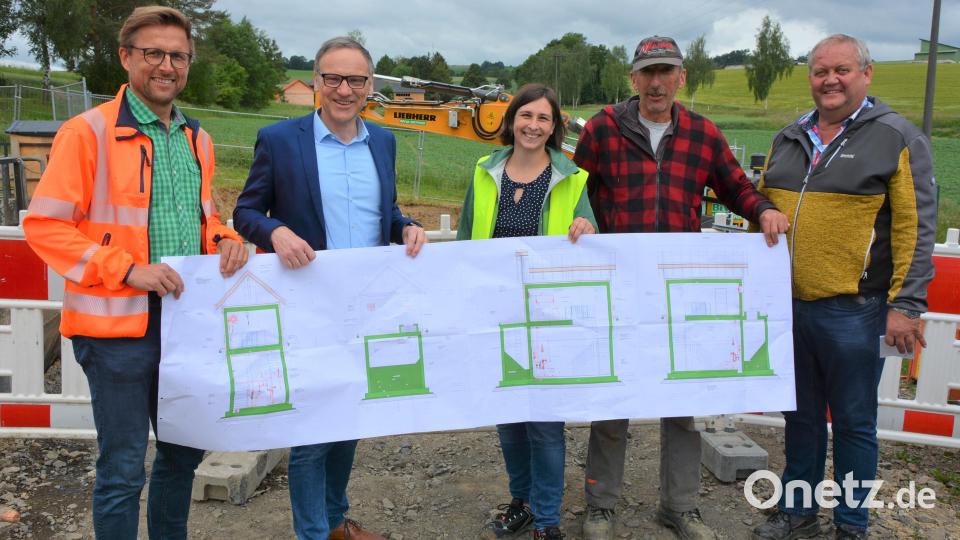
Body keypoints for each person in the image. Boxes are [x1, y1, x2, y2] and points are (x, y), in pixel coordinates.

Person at [22, 6, 248, 538]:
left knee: (182, 457)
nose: (166, 65)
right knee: (123, 470)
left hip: (185, 325)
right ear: (126, 58)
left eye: (178, 56)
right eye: (153, 53)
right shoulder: (88, 133)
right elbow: (45, 227)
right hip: (117, 332)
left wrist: (226, 239)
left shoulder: (197, 138)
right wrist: (126, 270)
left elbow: (202, 218)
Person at [572, 35, 789, 540]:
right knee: (614, 397)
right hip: (619, 286)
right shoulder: (603, 129)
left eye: (665, 71)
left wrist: (764, 210)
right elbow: (575, 193)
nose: (656, 81)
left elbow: (736, 185)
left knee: (682, 400)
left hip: (678, 288)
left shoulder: (702, 134)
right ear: (633, 78)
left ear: (681, 77)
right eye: (647, 72)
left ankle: (681, 506)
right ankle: (601, 505)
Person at [232, 36, 426, 540]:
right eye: (333, 78)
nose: (344, 89)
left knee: (349, 417)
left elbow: (383, 214)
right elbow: (246, 212)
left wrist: (403, 227)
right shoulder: (279, 140)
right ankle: (313, 533)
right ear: (316, 81)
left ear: (370, 87)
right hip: (308, 306)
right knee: (312, 430)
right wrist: (274, 231)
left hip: (366, 307)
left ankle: (337, 520)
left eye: (355, 80)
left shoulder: (383, 141)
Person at [750, 34, 936, 540]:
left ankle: (852, 524)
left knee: (854, 423)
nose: (830, 80)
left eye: (842, 70)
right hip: (790, 306)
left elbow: (915, 227)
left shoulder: (896, 136)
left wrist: (907, 304)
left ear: (865, 74)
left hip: (856, 310)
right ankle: (798, 514)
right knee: (800, 419)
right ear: (810, 77)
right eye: (819, 71)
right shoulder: (789, 136)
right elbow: (760, 210)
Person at [457, 83, 597, 540]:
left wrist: (586, 225)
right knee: (510, 417)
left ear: (554, 127)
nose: (533, 125)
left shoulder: (571, 178)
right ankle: (522, 501)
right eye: (526, 116)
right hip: (496, 316)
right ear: (511, 119)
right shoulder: (484, 171)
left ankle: (548, 520)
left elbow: (590, 231)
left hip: (549, 318)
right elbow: (464, 243)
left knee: (545, 423)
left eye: (543, 119)